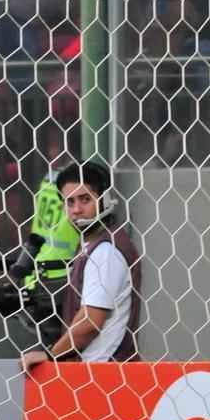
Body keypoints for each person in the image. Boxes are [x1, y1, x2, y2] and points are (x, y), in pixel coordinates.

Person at [21, 161, 141, 375]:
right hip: (96, 373)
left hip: (105, 375)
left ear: (104, 199)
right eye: (70, 202)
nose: (77, 210)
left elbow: (89, 322)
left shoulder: (105, 252)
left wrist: (49, 356)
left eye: (85, 199)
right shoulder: (91, 244)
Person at [7, 164, 81, 350]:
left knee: (53, 345)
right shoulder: (74, 189)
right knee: (61, 349)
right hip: (58, 282)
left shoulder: (48, 180)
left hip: (36, 277)